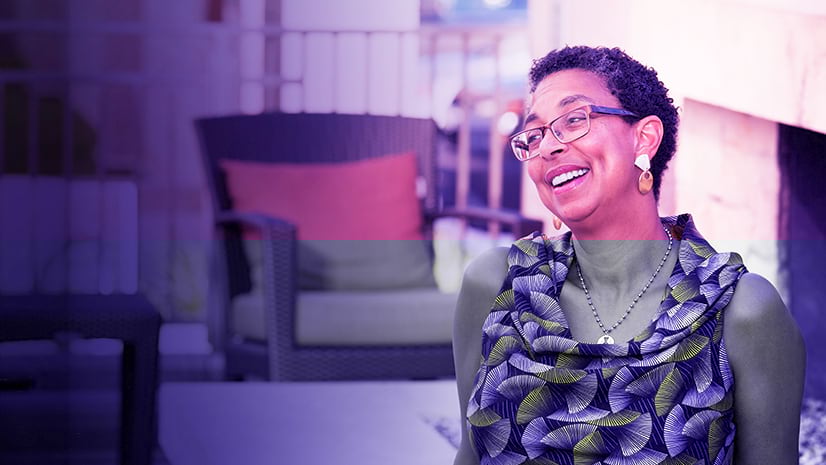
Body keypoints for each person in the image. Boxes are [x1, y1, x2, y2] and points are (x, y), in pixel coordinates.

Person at [452, 46, 805, 465]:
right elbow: (471, 453)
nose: (548, 147)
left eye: (573, 120)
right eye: (535, 134)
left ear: (645, 137)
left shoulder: (740, 310)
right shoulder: (495, 284)